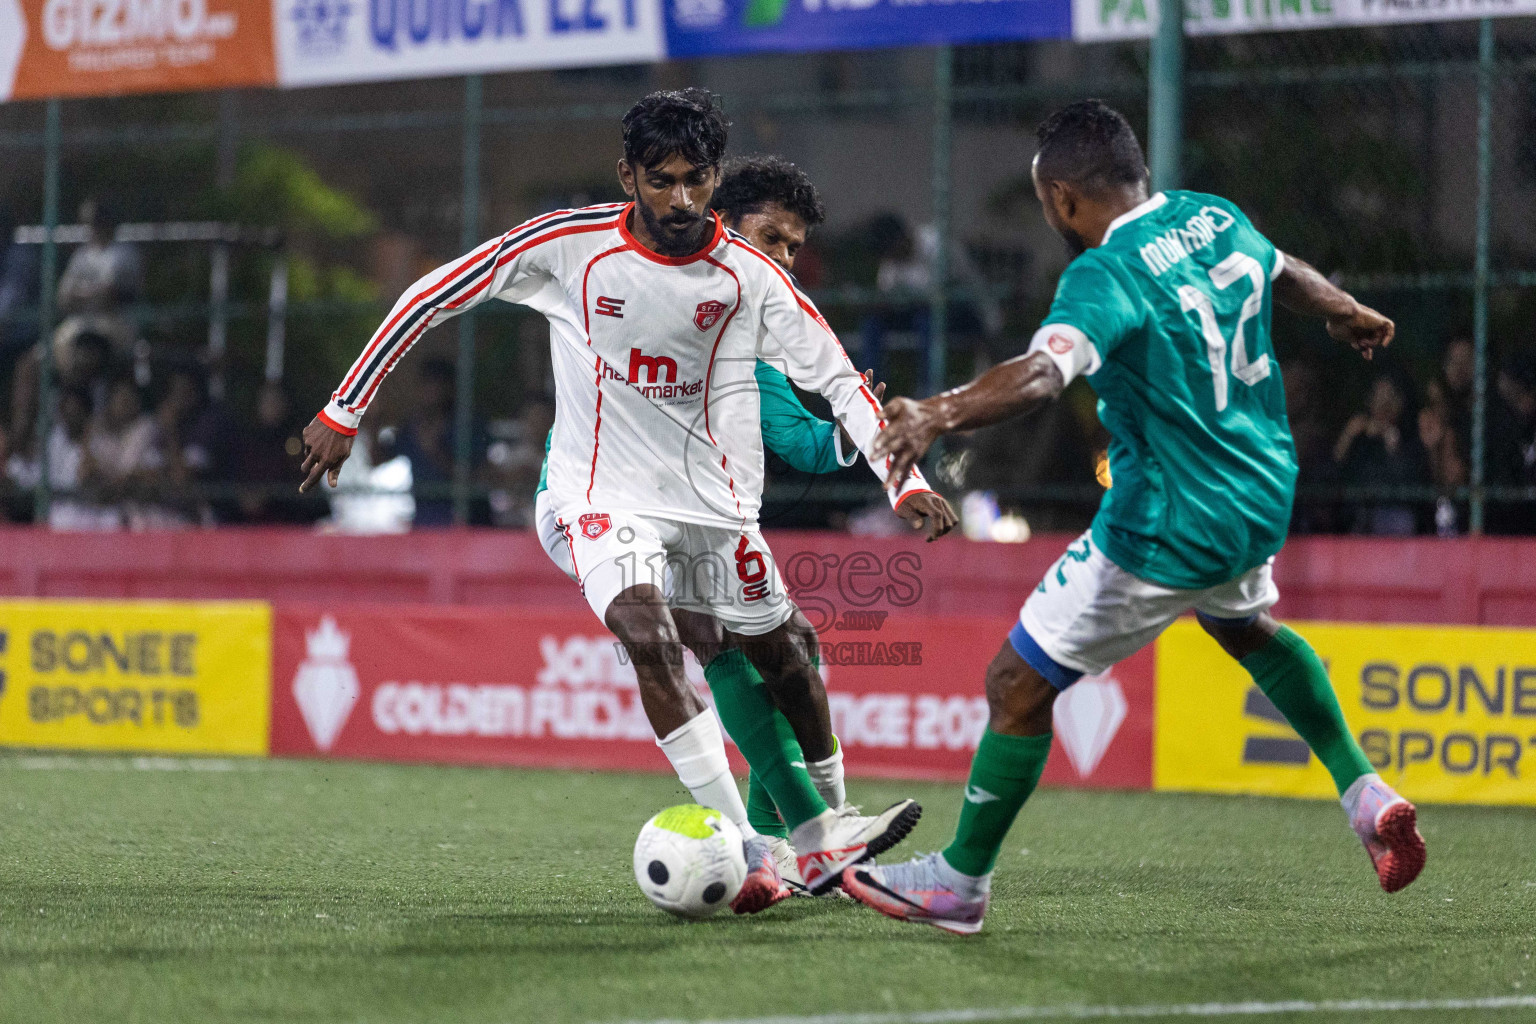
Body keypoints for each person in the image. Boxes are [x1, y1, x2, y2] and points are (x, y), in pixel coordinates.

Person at [298, 88, 956, 910]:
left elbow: (839, 378)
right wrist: (344, 406)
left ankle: (825, 832)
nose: (680, 201)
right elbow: (434, 292)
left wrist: (908, 481)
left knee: (788, 654)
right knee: (650, 631)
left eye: (697, 180)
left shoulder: (750, 277)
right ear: (628, 175)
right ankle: (753, 842)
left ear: (717, 176)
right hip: (596, 494)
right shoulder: (568, 246)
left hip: (714, 513)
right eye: (661, 180)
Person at [840, 100, 1421, 935]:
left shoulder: (1104, 275)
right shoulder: (1211, 216)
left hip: (1168, 520)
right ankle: (1367, 792)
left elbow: (1044, 375)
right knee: (1244, 625)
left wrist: (937, 412)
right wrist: (1340, 306)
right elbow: (1281, 266)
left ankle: (958, 883)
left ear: (1068, 199)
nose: (1050, 219)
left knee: (1013, 683)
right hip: (1260, 492)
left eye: (1048, 206)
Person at [526, 154, 901, 894]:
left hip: (697, 513)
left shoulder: (753, 327)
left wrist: (862, 431)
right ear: (719, 220)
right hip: (604, 503)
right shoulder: (659, 286)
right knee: (705, 633)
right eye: (773, 238)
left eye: (795, 248)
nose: (785, 259)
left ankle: (796, 844)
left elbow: (801, 440)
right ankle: (797, 833)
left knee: (785, 646)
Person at [1332, 374, 1429, 536]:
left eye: (1390, 397)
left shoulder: (1410, 438)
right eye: (1379, 397)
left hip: (1392, 516)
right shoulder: (1358, 435)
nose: (1384, 404)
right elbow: (1333, 472)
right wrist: (1347, 437)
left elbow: (1414, 486)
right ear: (1370, 401)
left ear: (1401, 403)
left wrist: (1393, 447)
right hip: (1356, 513)